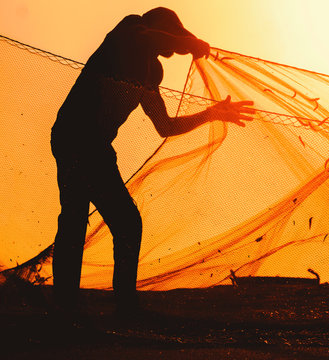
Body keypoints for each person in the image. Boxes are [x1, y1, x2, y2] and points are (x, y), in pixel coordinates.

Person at [50, 7, 255, 314]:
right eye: (172, 32)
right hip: (73, 136)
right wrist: (190, 43)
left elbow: (165, 126)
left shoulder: (151, 72)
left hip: (97, 147)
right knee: (82, 218)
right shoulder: (130, 30)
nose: (174, 43)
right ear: (156, 25)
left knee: (109, 221)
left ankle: (102, 306)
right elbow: (147, 37)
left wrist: (211, 113)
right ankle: (77, 307)